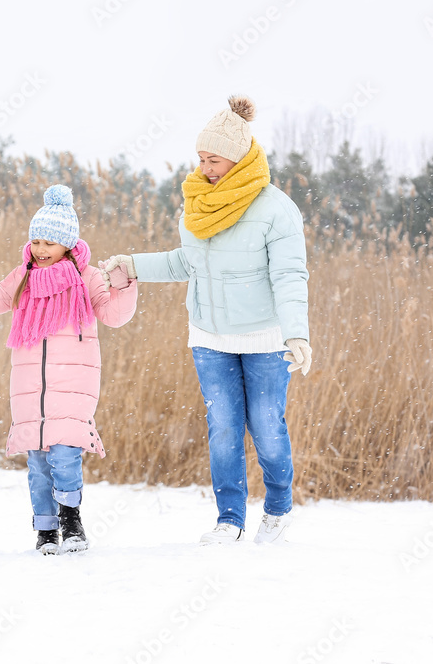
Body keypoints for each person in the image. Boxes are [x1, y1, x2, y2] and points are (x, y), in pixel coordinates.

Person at [104, 95, 311, 545]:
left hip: (264, 337)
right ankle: (230, 520)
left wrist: (297, 333)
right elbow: (187, 263)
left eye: (212, 159)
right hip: (209, 336)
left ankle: (277, 508)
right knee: (222, 430)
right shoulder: (197, 204)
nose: (204, 168)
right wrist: (134, 265)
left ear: (237, 160)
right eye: (200, 159)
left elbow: (290, 274)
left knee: (268, 428)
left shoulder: (276, 209)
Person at [0, 185, 137, 554]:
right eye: (36, 240)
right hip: (30, 392)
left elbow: (114, 315)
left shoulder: (87, 279)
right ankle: (46, 530)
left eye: (49, 242)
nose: (40, 249)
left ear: (68, 244)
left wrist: (122, 285)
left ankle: (71, 518)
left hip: (74, 386)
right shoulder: (23, 277)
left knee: (65, 454)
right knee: (37, 465)